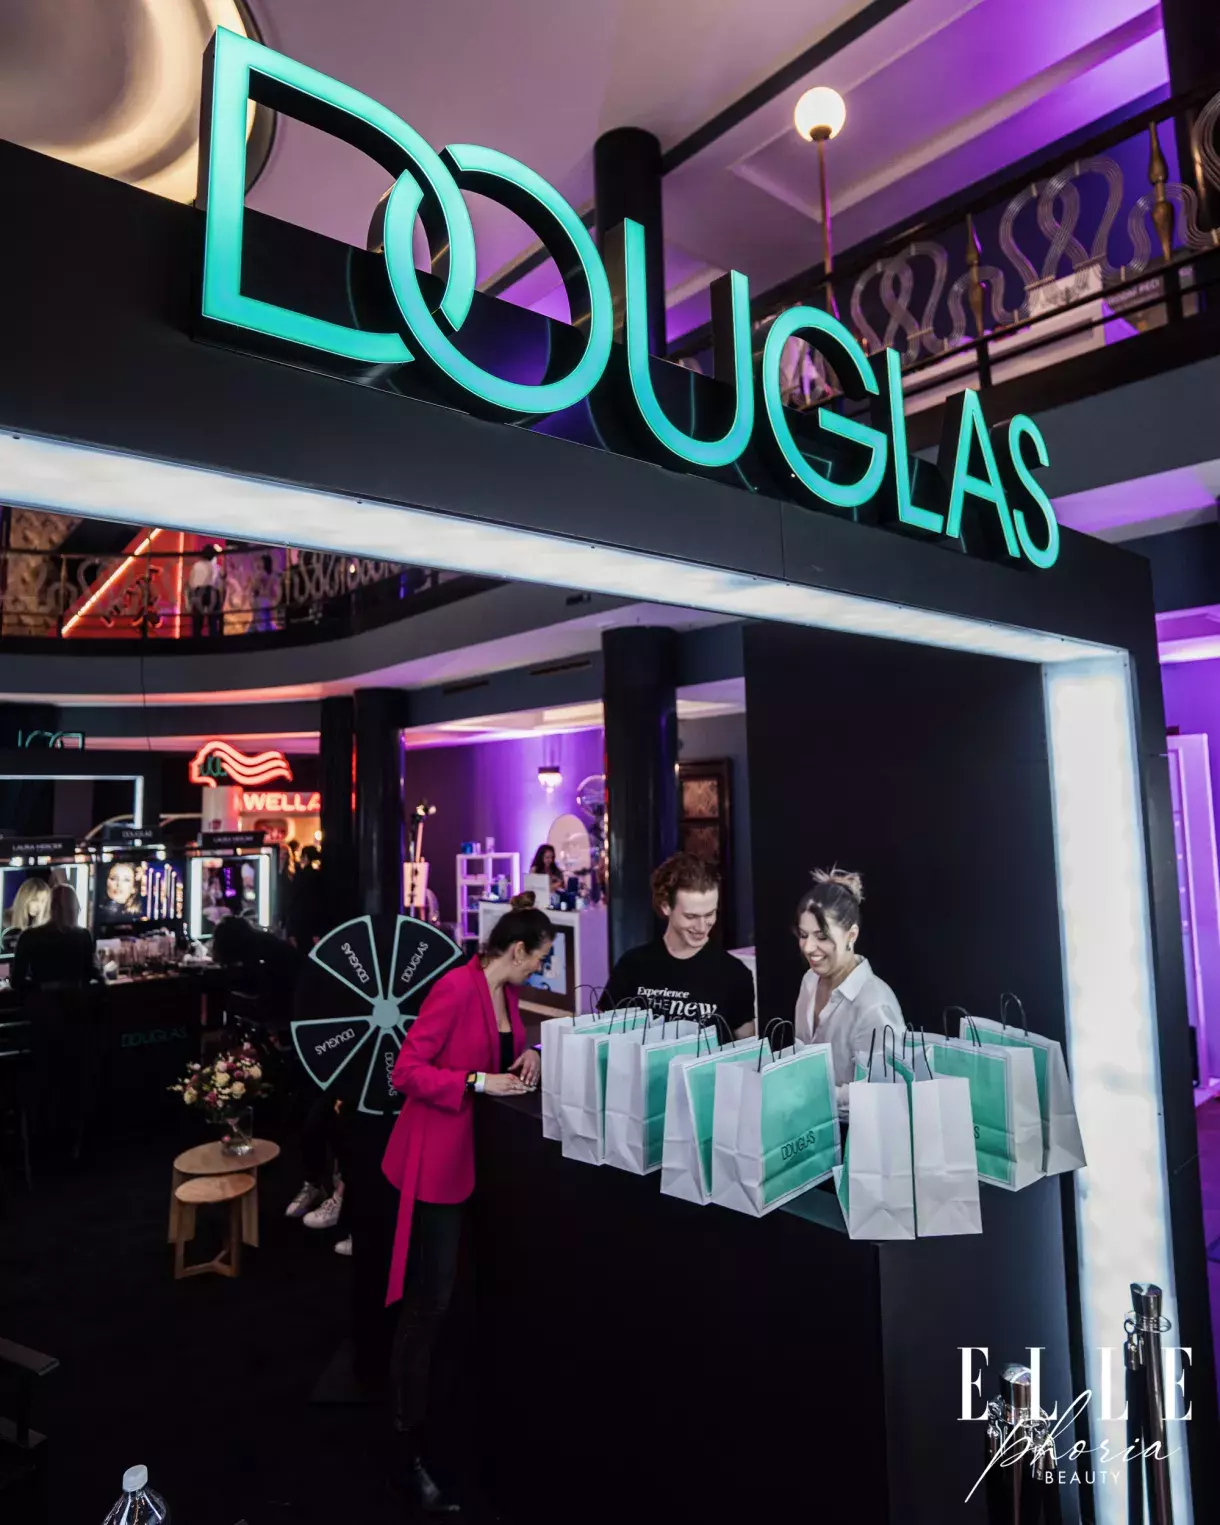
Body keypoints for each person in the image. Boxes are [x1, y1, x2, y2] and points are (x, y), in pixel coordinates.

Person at [381, 903, 552, 1514]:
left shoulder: (505, 993)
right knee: (429, 1303)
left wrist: (530, 1056)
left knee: (456, 1298)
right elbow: (407, 1071)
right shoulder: (456, 988)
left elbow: (505, 1049)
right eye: (539, 958)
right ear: (517, 950)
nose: (540, 968)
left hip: (478, 1163)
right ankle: (405, 1442)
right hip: (436, 1163)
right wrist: (479, 1082)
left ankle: (443, 1420)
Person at [601, 852, 755, 1039]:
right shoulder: (632, 966)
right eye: (691, 916)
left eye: (709, 914)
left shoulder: (734, 974)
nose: (701, 927)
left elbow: (746, 1046)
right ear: (666, 906)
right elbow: (604, 1035)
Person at [792, 869, 904, 1115]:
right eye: (803, 935)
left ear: (851, 935)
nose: (808, 947)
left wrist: (815, 1095)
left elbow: (884, 1093)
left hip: (857, 1133)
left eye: (821, 936)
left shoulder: (875, 1005)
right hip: (809, 1125)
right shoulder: (809, 981)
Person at [12, 884, 100, 991]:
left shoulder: (29, 936)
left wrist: (43, 987)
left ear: (50, 907)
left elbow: (16, 981)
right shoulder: (83, 935)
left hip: (42, 1000)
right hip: (75, 999)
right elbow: (89, 974)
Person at [1, 876, 52, 956]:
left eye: (43, 901)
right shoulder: (4, 921)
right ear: (25, 899)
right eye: (35, 900)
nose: (39, 906)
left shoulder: (45, 924)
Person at [187, 546, 224, 637]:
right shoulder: (216, 567)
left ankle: (197, 641)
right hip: (212, 593)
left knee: (197, 624)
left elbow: (191, 583)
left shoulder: (196, 566)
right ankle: (213, 641)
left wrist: (190, 600)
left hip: (198, 593)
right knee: (213, 622)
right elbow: (219, 585)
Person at [95, 861, 142, 926]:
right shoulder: (96, 912)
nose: (119, 884)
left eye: (126, 880)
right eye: (113, 878)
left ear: (134, 888)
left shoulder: (137, 917)